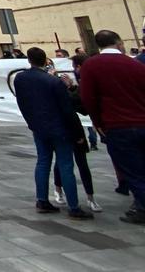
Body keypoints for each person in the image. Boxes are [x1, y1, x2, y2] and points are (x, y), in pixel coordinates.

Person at [14, 47, 93, 220]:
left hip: (38, 127)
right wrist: (78, 133)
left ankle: (42, 199)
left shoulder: (20, 78)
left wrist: (31, 122)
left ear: (29, 60)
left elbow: (22, 103)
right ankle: (73, 206)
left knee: (43, 162)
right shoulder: (53, 82)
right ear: (46, 61)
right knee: (65, 165)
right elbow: (67, 110)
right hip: (60, 128)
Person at [79, 30, 145, 225]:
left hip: (117, 125)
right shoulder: (134, 64)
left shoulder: (91, 65)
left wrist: (98, 122)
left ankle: (142, 207)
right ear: (118, 43)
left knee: (131, 170)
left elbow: (88, 98)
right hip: (141, 121)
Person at [51, 54, 102, 212]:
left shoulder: (76, 87)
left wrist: (72, 88)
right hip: (62, 131)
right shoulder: (53, 89)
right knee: (62, 163)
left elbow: (82, 108)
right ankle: (59, 190)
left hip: (74, 130)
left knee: (81, 164)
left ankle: (90, 196)